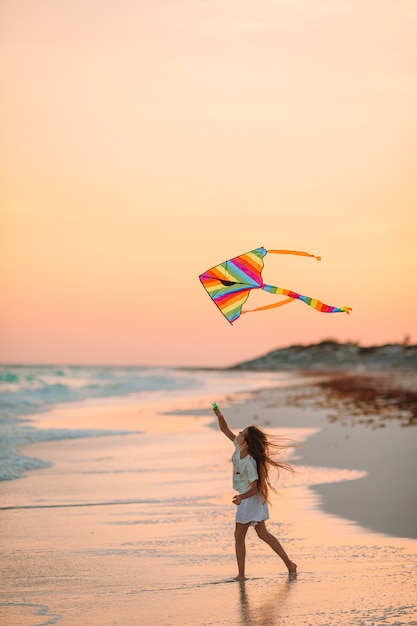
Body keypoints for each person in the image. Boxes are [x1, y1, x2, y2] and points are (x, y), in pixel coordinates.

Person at [213, 404, 297, 581]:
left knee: (239, 535)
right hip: (250, 497)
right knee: (262, 534)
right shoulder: (238, 447)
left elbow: (256, 487)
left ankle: (241, 575)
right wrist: (220, 416)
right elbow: (225, 429)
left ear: (246, 442)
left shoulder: (249, 462)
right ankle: (290, 564)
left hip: (250, 497)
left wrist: (241, 497)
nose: (238, 433)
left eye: (242, 433)